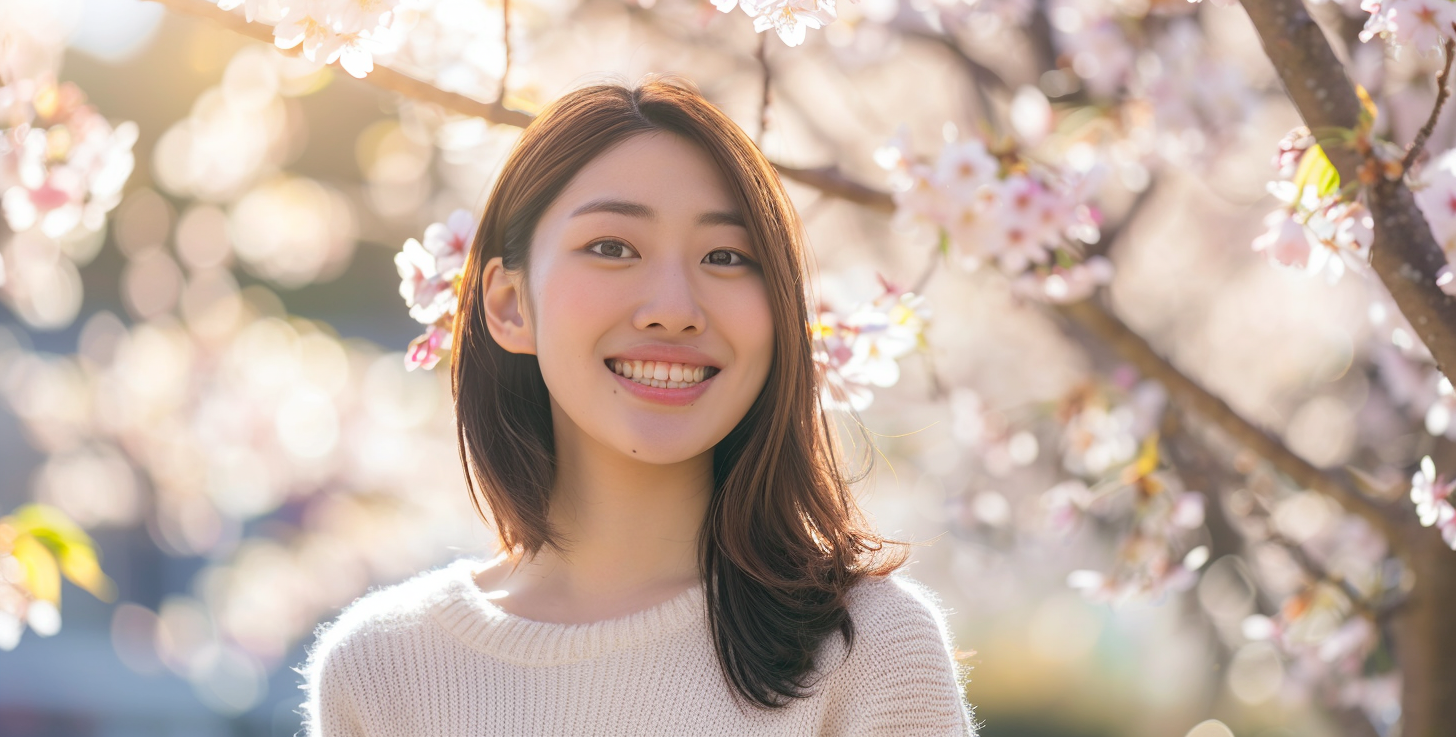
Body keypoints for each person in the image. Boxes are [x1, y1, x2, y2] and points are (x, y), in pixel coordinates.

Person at [295, 76, 978, 736]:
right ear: (509, 304)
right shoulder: (383, 670)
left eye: (727, 256)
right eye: (612, 247)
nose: (675, 310)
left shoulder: (869, 652)